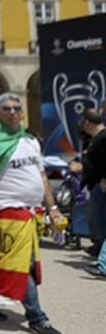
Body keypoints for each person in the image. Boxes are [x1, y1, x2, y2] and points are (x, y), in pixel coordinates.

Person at [0, 94, 63, 334]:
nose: (12, 112)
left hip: (32, 213)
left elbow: (41, 175)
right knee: (23, 265)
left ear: (22, 112)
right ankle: (37, 318)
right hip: (8, 212)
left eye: (17, 108)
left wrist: (52, 208)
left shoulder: (30, 141)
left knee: (7, 259)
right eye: (6, 108)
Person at [72, 109, 106, 275]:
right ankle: (101, 258)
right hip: (96, 185)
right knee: (98, 222)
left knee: (100, 222)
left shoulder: (103, 138)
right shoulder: (96, 138)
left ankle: (103, 263)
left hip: (102, 185)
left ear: (88, 122)